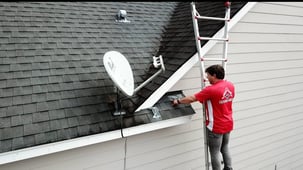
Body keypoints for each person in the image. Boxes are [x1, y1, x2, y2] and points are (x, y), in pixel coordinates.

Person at [172, 64, 235, 170]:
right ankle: (229, 168)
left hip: (216, 126)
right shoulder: (230, 85)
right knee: (224, 147)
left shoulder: (211, 90)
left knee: (214, 152)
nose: (207, 78)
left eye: (208, 75)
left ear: (214, 75)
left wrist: (178, 101)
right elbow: (217, 101)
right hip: (228, 123)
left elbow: (192, 98)